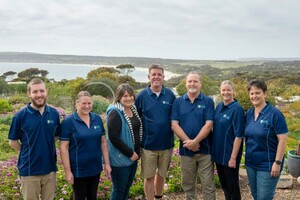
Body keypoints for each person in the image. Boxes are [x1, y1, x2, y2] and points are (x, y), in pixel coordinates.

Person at [8, 78, 61, 200]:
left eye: (42, 91)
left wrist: (44, 145)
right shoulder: (20, 116)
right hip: (29, 171)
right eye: (35, 92)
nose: (39, 95)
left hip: (50, 170)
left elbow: (56, 135)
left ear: (46, 91)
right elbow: (13, 141)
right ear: (29, 94)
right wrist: (29, 150)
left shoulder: (53, 113)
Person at [171, 71, 216, 200]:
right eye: (190, 81)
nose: (192, 84)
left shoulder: (207, 101)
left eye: (195, 81)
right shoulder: (178, 102)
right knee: (188, 184)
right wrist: (190, 143)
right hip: (186, 152)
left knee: (208, 184)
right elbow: (174, 125)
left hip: (205, 151)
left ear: (200, 84)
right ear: (186, 84)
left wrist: (196, 141)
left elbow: (209, 124)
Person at [60, 91, 111, 200]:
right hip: (78, 169)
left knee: (92, 196)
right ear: (77, 103)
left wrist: (107, 164)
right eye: (84, 103)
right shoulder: (68, 122)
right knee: (79, 197)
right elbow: (64, 148)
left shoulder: (96, 119)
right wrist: (68, 171)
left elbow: (103, 142)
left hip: (95, 167)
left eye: (89, 103)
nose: (87, 106)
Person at [135, 64, 175, 200]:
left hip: (167, 144)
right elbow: (136, 119)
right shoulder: (141, 96)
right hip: (148, 145)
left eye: (159, 75)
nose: (156, 77)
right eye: (154, 74)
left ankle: (159, 197)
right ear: (149, 77)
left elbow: (175, 118)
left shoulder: (170, 95)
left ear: (163, 77)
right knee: (149, 176)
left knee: (162, 175)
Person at [245, 79, 288, 200]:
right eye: (252, 93)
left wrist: (277, 163)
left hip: (268, 164)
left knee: (263, 197)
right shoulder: (249, 113)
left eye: (257, 93)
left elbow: (282, 140)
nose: (254, 96)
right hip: (251, 163)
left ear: (265, 94)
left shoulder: (275, 114)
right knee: (255, 195)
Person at [106, 83, 142, 200]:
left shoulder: (133, 109)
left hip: (133, 157)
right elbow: (114, 138)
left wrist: (135, 154)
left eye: (130, 95)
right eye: (125, 96)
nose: (128, 98)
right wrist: (131, 154)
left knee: (126, 189)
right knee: (119, 190)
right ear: (119, 97)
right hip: (121, 158)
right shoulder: (115, 112)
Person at [211, 80, 245, 200]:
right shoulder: (219, 106)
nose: (226, 92)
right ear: (220, 92)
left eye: (228, 90)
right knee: (224, 185)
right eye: (223, 90)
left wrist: (233, 158)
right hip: (219, 154)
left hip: (230, 154)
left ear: (233, 92)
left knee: (232, 186)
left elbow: (239, 136)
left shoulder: (237, 109)